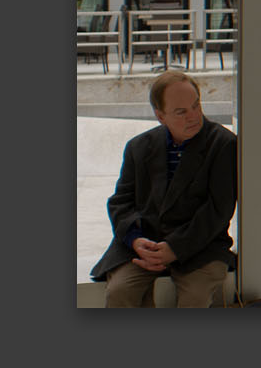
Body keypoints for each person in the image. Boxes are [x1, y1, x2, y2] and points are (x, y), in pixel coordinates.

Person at [90, 70, 238, 307]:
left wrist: (175, 248)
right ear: (160, 116)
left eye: (196, 106)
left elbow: (218, 210)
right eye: (181, 111)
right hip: (144, 245)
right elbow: (121, 201)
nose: (193, 116)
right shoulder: (138, 147)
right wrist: (136, 240)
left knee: (195, 299)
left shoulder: (223, 144)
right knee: (119, 292)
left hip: (201, 246)